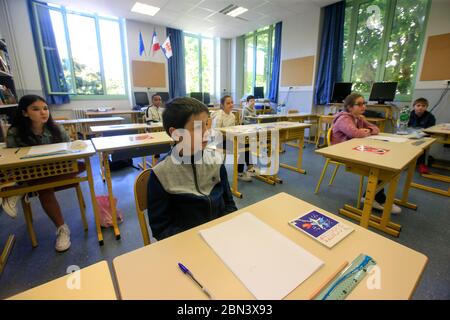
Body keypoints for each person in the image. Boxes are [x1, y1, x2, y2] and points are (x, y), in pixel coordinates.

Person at [147, 97, 237, 240]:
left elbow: (229, 204)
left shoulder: (216, 161)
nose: (206, 133)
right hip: (186, 244)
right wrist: (195, 242)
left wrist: (224, 231)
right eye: (197, 128)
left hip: (221, 236)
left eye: (207, 124)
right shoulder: (161, 174)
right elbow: (161, 229)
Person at [2, 94, 81, 251]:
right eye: (36, 109)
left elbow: (70, 148)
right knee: (45, 188)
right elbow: (11, 160)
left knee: (81, 166)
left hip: (55, 170)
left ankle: (16, 191)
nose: (43, 112)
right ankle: (62, 229)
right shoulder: (15, 132)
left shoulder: (55, 128)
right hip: (29, 172)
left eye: (45, 108)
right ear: (25, 113)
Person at [331, 93, 401, 214]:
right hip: (341, 152)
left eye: (364, 103)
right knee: (378, 165)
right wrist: (361, 132)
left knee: (382, 160)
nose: (364, 106)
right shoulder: (344, 118)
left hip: (354, 149)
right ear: (349, 107)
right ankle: (375, 198)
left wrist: (366, 130)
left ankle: (371, 196)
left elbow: (376, 129)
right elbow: (356, 134)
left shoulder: (360, 118)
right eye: (359, 104)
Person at [211, 95, 256, 182]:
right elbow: (216, 133)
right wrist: (230, 135)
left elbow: (233, 129)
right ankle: (240, 172)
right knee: (242, 146)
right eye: (228, 103)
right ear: (222, 105)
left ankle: (250, 167)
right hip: (219, 141)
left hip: (229, 139)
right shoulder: (219, 116)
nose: (231, 104)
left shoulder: (232, 115)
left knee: (246, 143)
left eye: (232, 102)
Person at [407, 98, 436, 174]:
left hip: (424, 136)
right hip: (410, 134)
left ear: (426, 107)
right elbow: (405, 126)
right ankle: (406, 161)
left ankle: (422, 164)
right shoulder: (408, 114)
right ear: (414, 106)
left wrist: (423, 132)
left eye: (423, 106)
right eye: (418, 105)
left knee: (424, 146)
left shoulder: (430, 116)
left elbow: (431, 129)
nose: (420, 107)